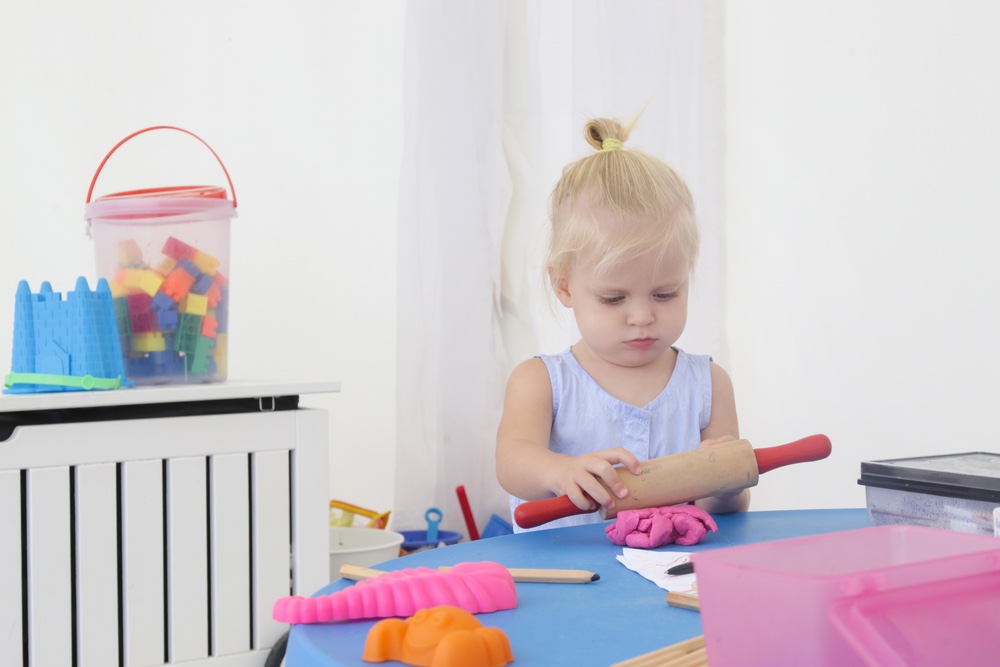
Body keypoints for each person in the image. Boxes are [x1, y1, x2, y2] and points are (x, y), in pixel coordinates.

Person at [495, 116, 750, 532]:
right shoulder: (540, 380)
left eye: (666, 294)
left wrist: (725, 483)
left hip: (672, 578)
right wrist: (559, 472)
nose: (642, 316)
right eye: (613, 299)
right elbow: (511, 462)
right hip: (569, 578)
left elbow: (726, 506)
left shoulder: (708, 383)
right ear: (564, 286)